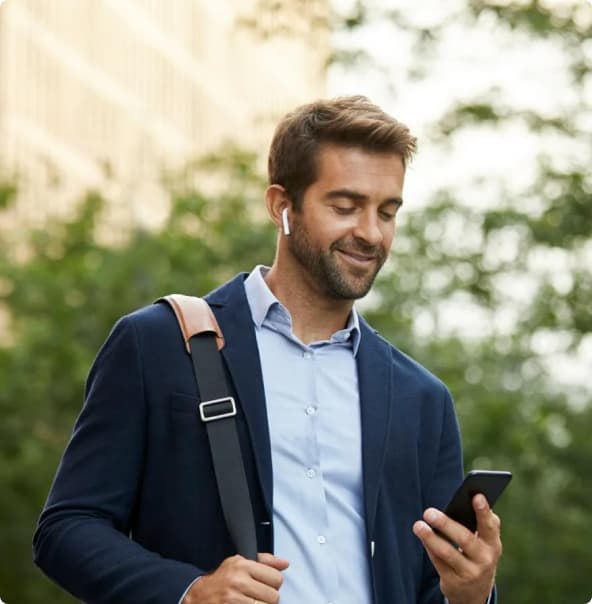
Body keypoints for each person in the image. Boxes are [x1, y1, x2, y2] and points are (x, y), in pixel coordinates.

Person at [34, 96, 502, 604]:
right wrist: (189, 592)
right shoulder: (157, 346)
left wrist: (471, 593)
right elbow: (66, 529)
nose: (370, 233)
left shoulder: (423, 399)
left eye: (386, 212)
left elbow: (429, 587)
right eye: (344, 207)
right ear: (282, 206)